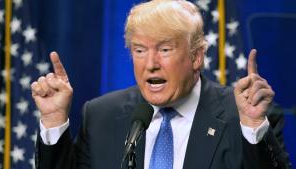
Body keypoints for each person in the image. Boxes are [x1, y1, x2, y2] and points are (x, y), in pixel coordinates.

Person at [31, 0, 291, 169]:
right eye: (140, 50)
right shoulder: (101, 116)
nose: (150, 63)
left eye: (165, 49)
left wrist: (254, 128)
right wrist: (54, 121)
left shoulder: (244, 119)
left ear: (196, 56)